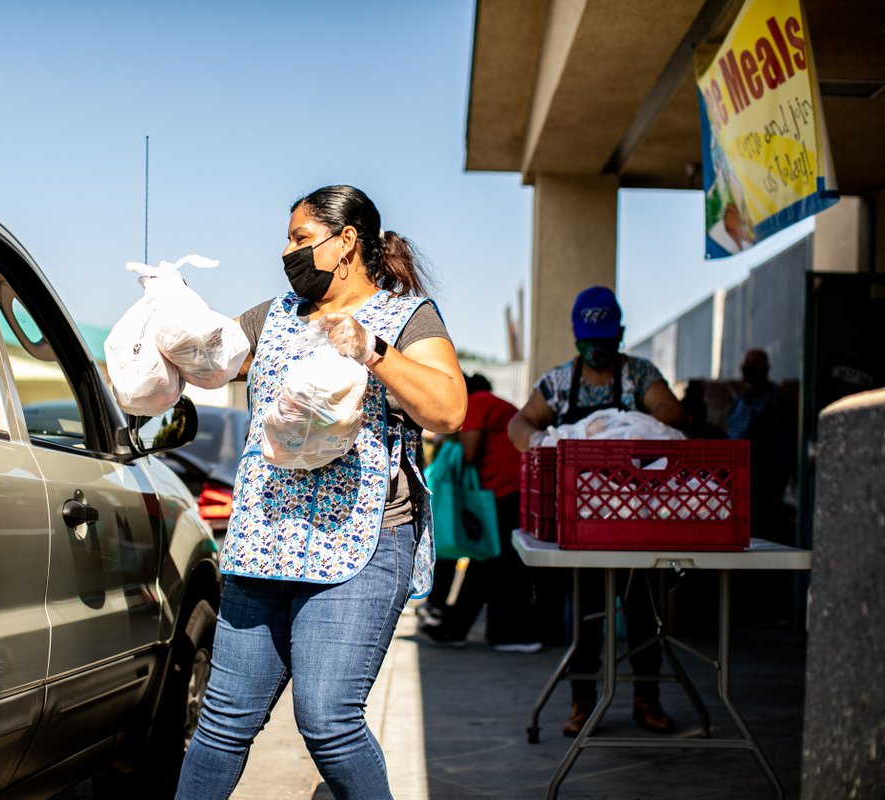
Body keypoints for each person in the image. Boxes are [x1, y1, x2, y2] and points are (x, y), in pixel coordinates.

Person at [175, 185, 466, 800]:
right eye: (288, 240)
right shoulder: (274, 314)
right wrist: (168, 330)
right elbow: (208, 361)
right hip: (268, 533)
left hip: (362, 540)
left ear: (347, 241)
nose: (288, 252)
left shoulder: (407, 317)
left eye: (301, 239)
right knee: (223, 721)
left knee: (328, 720)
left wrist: (372, 350)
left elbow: (448, 410)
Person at [507, 285, 685, 738]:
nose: (596, 348)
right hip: (583, 518)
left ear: (620, 334)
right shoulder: (559, 383)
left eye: (605, 339)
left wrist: (646, 423)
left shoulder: (639, 374)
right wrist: (541, 441)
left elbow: (670, 412)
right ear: (576, 337)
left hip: (640, 515)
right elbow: (518, 423)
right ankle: (582, 702)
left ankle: (647, 698)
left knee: (644, 609)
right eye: (589, 340)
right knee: (585, 612)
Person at [418, 374, 541, 652]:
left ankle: (475, 631)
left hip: (503, 492)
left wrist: (451, 439)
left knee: (491, 562)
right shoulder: (496, 403)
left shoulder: (476, 403)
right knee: (497, 563)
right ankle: (486, 632)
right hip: (513, 491)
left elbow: (471, 452)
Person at [726, 348, 790, 542]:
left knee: (760, 539)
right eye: (746, 363)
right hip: (736, 480)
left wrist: (777, 492)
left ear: (765, 368)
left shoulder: (776, 399)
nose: (748, 368)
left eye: (755, 364)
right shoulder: (741, 400)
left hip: (762, 481)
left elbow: (783, 447)